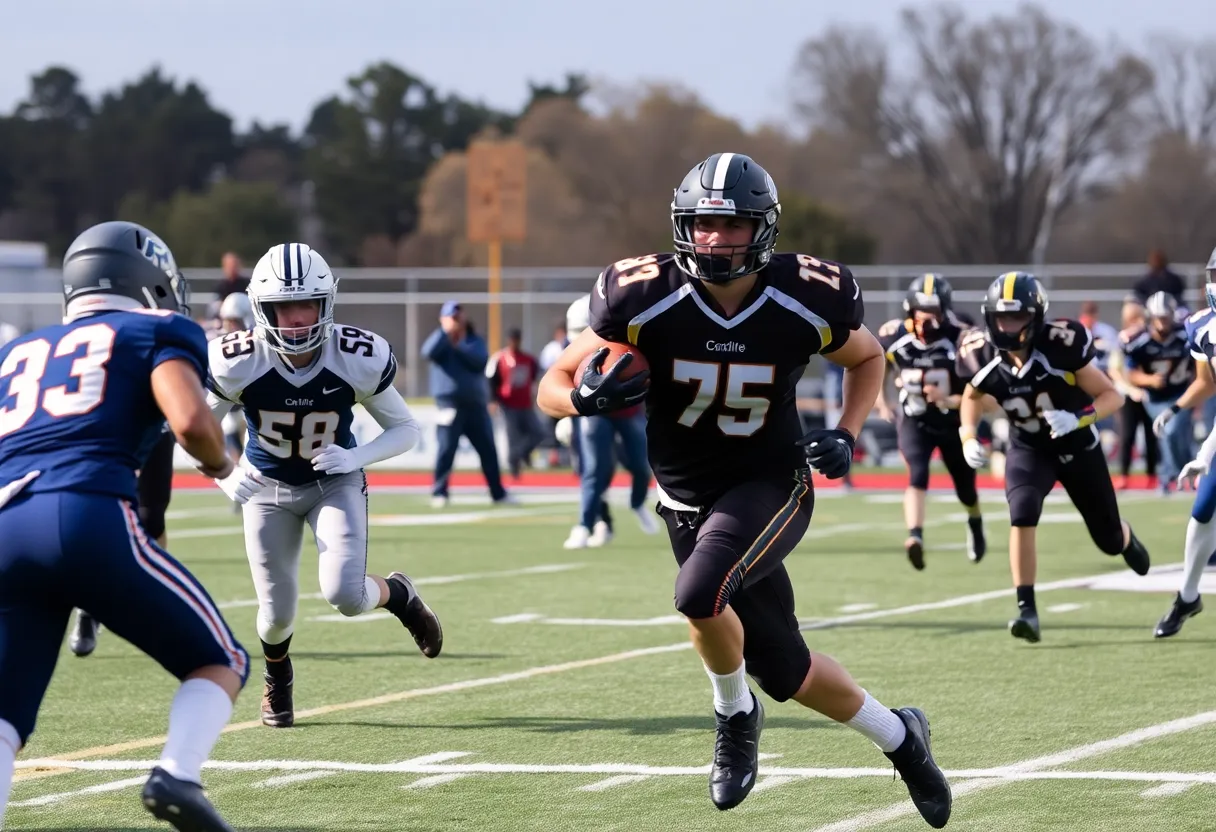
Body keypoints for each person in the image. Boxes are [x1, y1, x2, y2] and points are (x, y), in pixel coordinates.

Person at [537, 152, 951, 827]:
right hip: (682, 496)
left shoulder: (804, 296)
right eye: (704, 224)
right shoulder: (641, 295)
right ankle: (903, 738)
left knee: (698, 596)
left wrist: (846, 431)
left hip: (770, 481)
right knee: (788, 671)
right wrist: (581, 400)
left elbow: (868, 355)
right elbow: (550, 385)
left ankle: (733, 717)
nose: (716, 239)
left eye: (732, 225)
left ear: (762, 229)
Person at [0, 221, 248, 831]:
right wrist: (226, 464)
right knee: (221, 661)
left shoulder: (17, 351)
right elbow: (191, 423)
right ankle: (177, 775)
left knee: (5, 716)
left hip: (4, 523)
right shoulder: (156, 328)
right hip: (83, 510)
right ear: (150, 282)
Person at [206, 242, 442, 729]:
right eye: (283, 309)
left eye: (306, 305)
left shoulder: (356, 355)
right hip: (267, 487)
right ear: (260, 310)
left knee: (345, 595)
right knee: (274, 615)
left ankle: (399, 595)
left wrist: (354, 456)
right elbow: (192, 427)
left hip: (333, 482)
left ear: (326, 304)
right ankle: (278, 676)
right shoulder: (239, 359)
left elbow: (406, 429)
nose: (295, 320)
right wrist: (224, 473)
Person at [956, 272, 1151, 643]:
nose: (1008, 327)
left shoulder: (1062, 346)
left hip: (1078, 446)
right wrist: (967, 435)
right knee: (1022, 512)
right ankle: (1026, 608)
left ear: (1036, 317)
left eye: (1017, 318)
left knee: (1107, 539)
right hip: (1028, 447)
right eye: (1002, 318)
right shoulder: (980, 352)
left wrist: (1078, 418)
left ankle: (1125, 539)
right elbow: (971, 395)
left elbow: (1113, 396)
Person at [876, 274, 985, 569]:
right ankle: (915, 536)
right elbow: (874, 365)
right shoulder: (894, 335)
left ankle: (974, 519)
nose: (926, 321)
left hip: (953, 420)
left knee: (966, 488)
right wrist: (882, 400)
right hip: (915, 418)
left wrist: (950, 400)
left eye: (933, 313)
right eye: (920, 312)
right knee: (917, 473)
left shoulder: (961, 336)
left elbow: (982, 393)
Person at [556, 295, 657, 549]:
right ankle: (584, 525)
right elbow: (563, 382)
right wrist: (568, 414)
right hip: (593, 414)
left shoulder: (624, 342)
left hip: (626, 411)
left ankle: (636, 504)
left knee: (641, 465)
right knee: (593, 470)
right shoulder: (568, 351)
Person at [1151, 245, 1216, 637]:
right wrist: (1205, 453)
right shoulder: (1203, 327)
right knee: (1203, 507)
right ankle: (1188, 595)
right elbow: (1206, 382)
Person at [422, 301, 511, 507]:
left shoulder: (473, 340)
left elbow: (479, 361)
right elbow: (427, 352)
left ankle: (497, 493)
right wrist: (445, 334)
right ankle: (439, 491)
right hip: (449, 403)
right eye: (451, 317)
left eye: (458, 317)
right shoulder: (440, 341)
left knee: (488, 449)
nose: (456, 321)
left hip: (474, 405)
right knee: (446, 449)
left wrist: (458, 346)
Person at [1121, 292, 1195, 494]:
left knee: (1178, 435)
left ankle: (1176, 475)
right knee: (1169, 433)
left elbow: (1199, 365)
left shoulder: (1185, 335)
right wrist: (1150, 380)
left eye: (1165, 316)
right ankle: (1173, 476)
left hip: (1182, 394)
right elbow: (1130, 372)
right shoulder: (1138, 340)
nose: (1162, 322)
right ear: (1150, 316)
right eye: (1158, 317)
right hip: (1155, 398)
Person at [486, 328, 545, 478]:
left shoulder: (528, 359)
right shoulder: (500, 358)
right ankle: (514, 467)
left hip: (525, 403)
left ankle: (523, 453)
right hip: (508, 404)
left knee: (538, 433)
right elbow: (491, 380)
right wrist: (493, 400)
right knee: (513, 436)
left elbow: (538, 376)